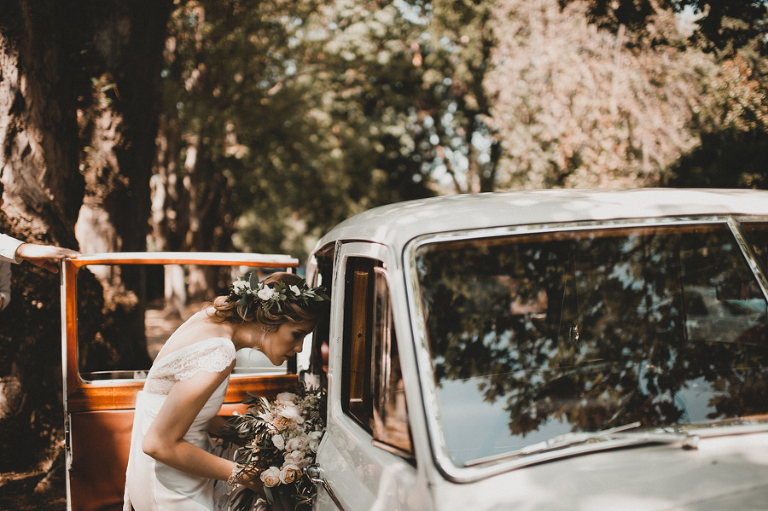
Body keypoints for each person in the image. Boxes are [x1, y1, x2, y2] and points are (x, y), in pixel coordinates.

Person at [123, 271, 329, 511]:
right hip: (171, 485)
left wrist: (259, 435)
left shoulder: (211, 320)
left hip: (167, 471)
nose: (299, 347)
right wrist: (249, 476)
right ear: (270, 319)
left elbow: (187, 415)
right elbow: (158, 444)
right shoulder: (219, 351)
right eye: (297, 334)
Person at [0, 182, 80, 309]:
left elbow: (4, 292)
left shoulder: (4, 254)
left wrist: (1, 300)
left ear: (0, 203)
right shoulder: (7, 248)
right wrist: (22, 249)